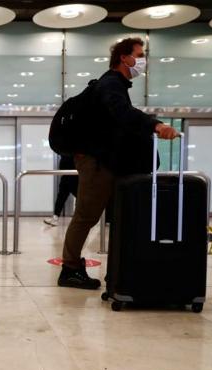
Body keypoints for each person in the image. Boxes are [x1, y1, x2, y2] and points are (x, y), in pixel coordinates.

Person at [57, 37, 179, 290]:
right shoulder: (110, 84)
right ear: (124, 58)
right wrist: (155, 125)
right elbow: (124, 114)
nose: (143, 60)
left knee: (98, 215)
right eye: (140, 54)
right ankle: (69, 269)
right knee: (85, 215)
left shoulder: (115, 85)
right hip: (96, 162)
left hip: (105, 161)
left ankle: (105, 267)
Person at [44, 155, 78, 226]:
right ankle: (55, 217)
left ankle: (79, 218)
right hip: (66, 176)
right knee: (61, 197)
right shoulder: (64, 150)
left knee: (79, 196)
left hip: (75, 176)